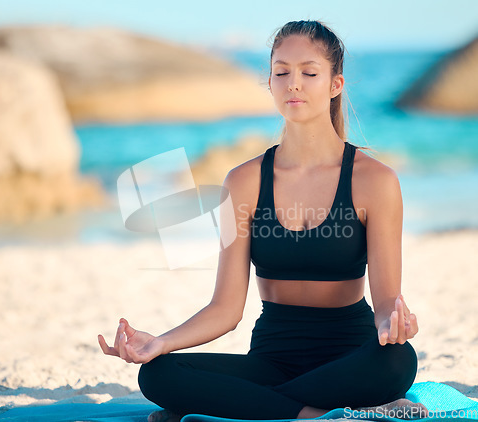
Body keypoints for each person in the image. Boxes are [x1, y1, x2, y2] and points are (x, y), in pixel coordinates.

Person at [98, 20, 429, 421]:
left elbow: (384, 306)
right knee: (158, 374)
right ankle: (313, 413)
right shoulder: (244, 181)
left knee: (398, 362)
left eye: (309, 73)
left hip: (351, 358)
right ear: (270, 83)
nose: (293, 84)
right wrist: (160, 343)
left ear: (335, 85)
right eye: (281, 72)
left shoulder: (375, 180)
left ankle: (247, 406)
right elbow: (225, 308)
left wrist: (395, 325)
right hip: (271, 359)